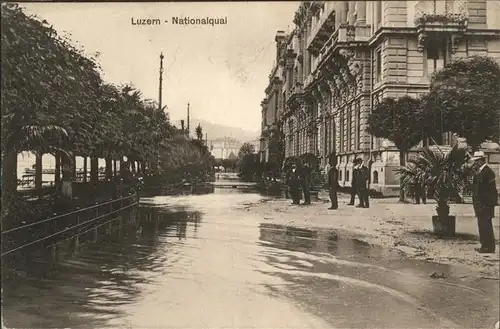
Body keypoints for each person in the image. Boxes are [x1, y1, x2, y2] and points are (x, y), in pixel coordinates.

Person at [470, 151, 498, 253]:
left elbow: (490, 190)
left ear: (482, 160)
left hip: (485, 204)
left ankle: (489, 247)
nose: (475, 163)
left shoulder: (488, 172)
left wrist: (486, 204)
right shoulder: (479, 172)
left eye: (477, 161)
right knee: (482, 225)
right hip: (480, 204)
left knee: (486, 225)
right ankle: (484, 245)